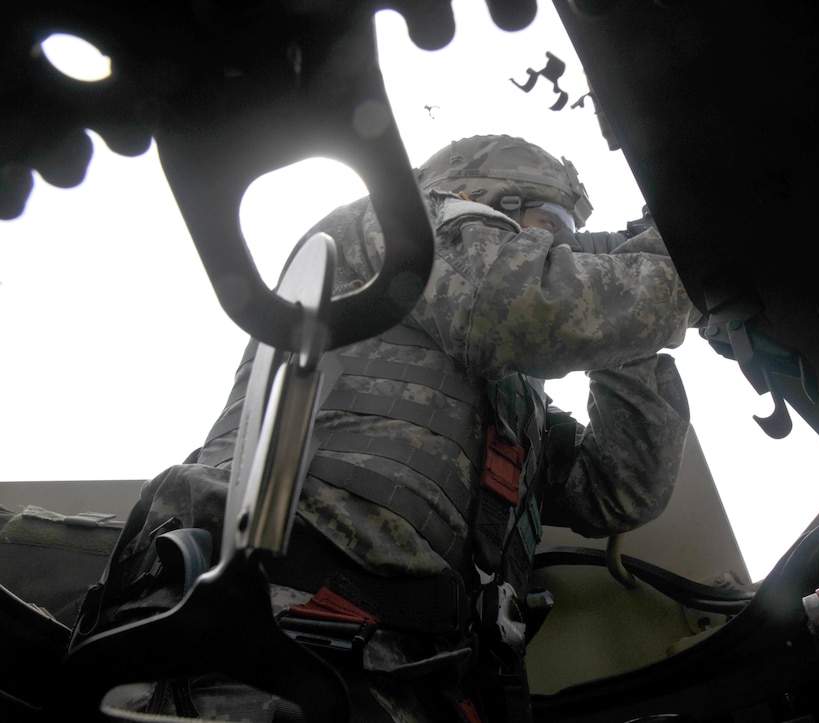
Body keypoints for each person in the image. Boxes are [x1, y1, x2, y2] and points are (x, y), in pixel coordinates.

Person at [88, 134, 699, 721]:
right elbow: (521, 306)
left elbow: (622, 490)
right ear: (489, 200)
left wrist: (631, 330)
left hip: (414, 672)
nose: (566, 252)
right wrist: (690, 263)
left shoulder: (515, 412)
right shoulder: (399, 226)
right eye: (551, 229)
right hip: (271, 629)